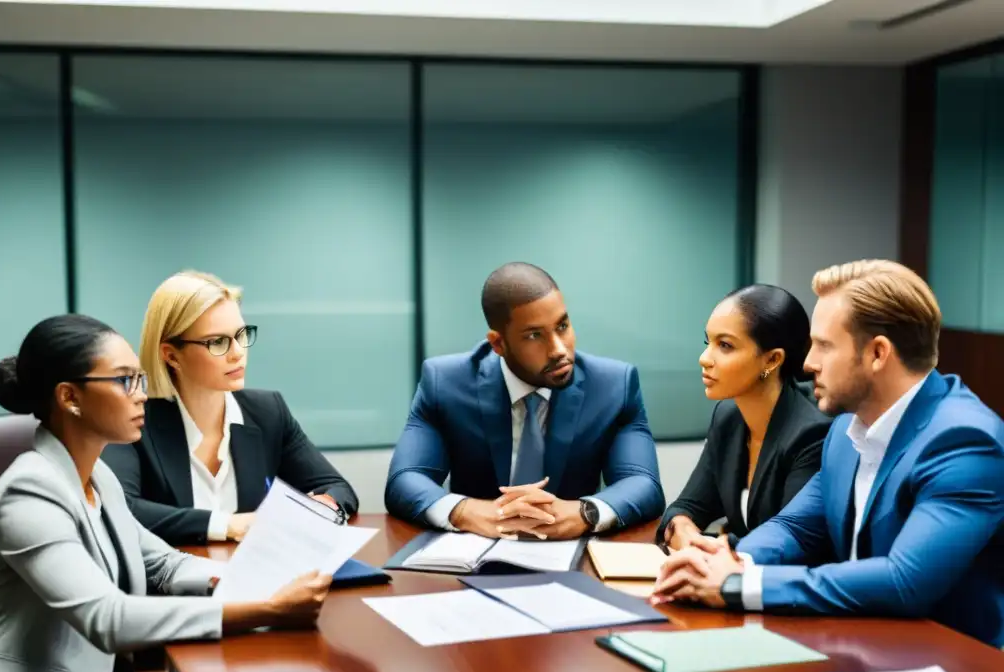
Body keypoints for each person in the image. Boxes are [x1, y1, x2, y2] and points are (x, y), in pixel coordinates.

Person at [0, 315, 332, 672]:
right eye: (125, 380)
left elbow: (162, 563)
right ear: (69, 397)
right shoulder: (28, 492)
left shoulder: (98, 477)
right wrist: (264, 610)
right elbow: (107, 616)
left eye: (140, 378)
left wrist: (254, 580)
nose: (142, 393)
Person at [652, 260, 1004, 648]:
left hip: (955, 668)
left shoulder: (964, 441)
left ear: (877, 354)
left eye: (823, 346)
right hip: (858, 645)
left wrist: (740, 583)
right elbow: (796, 528)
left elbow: (905, 581)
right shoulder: (844, 431)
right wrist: (726, 559)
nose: (807, 363)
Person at [385, 262, 664, 539]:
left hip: (572, 557)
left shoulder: (614, 385)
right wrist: (467, 511)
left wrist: (583, 513)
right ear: (498, 344)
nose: (558, 350)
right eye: (534, 335)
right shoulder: (445, 382)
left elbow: (643, 483)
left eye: (563, 326)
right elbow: (405, 479)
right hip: (475, 555)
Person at [102, 271, 358, 546]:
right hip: (172, 583)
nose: (238, 352)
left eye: (241, 335)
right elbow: (121, 509)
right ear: (171, 355)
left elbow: (339, 489)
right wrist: (229, 525)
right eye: (218, 342)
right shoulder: (132, 418)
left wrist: (324, 506)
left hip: (256, 577)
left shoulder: (268, 412)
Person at [658, 285, 830, 551]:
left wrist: (700, 545)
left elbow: (789, 546)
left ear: (772, 360)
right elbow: (687, 507)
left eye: (725, 345)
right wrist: (682, 528)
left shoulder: (811, 434)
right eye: (708, 342)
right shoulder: (728, 417)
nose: (704, 358)